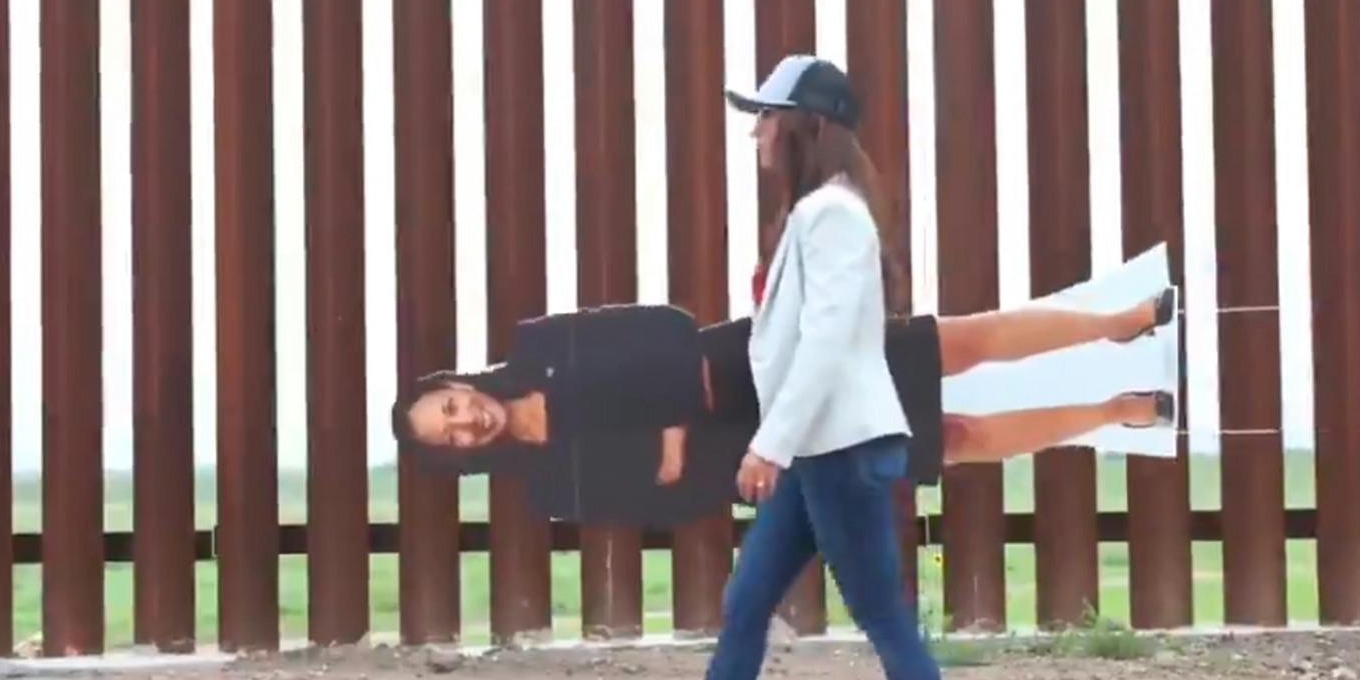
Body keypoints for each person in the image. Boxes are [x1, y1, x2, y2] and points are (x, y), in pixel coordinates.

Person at [577, 54, 1020, 680]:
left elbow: (825, 343)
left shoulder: (835, 218)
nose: (756, 132)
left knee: (886, 622)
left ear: (808, 127)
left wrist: (769, 444)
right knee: (746, 609)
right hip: (820, 451)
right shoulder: (816, 215)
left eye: (768, 117)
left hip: (837, 448)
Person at [391, 279, 1177, 529]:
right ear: (458, 457)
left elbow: (664, 329)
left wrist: (668, 431)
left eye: (450, 407)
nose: (465, 424)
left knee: (953, 345)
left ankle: (1118, 323)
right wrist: (676, 421)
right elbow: (670, 502)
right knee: (956, 437)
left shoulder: (541, 345)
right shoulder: (549, 487)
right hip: (760, 454)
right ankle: (1115, 411)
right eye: (450, 438)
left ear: (457, 385)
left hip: (754, 365)